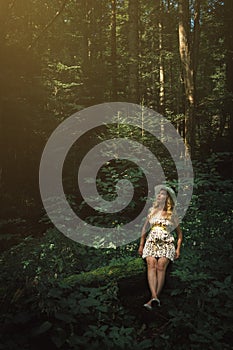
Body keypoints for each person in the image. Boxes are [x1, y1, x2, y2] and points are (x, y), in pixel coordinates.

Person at [138, 186, 183, 310]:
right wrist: (141, 244)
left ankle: (153, 298)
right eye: (158, 194)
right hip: (151, 242)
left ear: (167, 197)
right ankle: (154, 297)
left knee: (161, 265)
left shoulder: (171, 214)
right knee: (151, 263)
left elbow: (179, 234)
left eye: (162, 194)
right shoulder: (152, 211)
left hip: (166, 244)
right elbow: (144, 229)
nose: (159, 196)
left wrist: (178, 249)